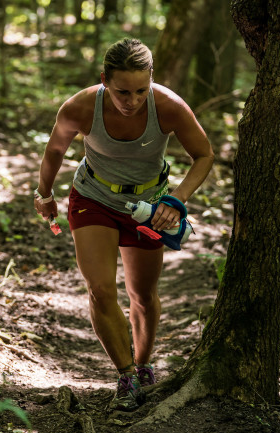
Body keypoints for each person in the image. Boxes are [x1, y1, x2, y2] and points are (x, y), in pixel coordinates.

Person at [33, 38, 214, 411]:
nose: (131, 101)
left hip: (149, 207)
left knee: (142, 296)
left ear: (151, 79)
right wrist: (45, 194)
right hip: (93, 198)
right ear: (104, 79)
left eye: (140, 91)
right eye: (121, 92)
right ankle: (126, 374)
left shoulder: (168, 106)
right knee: (100, 288)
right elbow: (55, 149)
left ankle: (146, 365)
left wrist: (176, 200)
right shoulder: (82, 106)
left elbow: (204, 154)